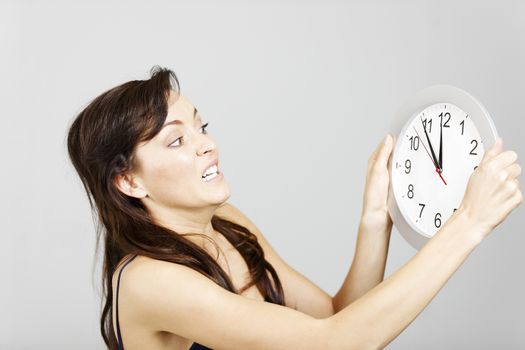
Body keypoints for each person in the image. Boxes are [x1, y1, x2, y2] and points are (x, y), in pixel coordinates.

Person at [67, 66, 522, 350]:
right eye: (178, 140)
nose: (207, 145)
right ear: (128, 180)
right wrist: (468, 225)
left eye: (201, 126)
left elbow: (335, 317)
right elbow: (340, 344)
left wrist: (375, 217)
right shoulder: (150, 280)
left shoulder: (226, 224)